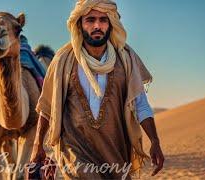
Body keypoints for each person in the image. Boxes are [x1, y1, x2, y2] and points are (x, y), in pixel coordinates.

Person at [29, 0, 164, 179]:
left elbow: (140, 104)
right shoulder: (63, 60)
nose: (97, 25)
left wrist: (154, 140)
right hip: (75, 148)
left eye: (103, 20)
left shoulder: (126, 60)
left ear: (111, 23)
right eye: (90, 20)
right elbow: (47, 107)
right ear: (80, 24)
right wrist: (37, 146)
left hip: (116, 150)